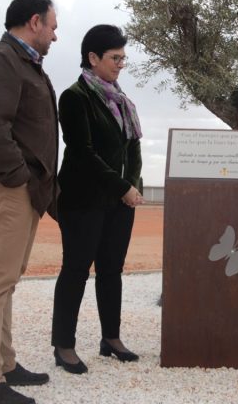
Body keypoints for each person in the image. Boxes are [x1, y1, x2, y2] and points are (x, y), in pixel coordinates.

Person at [0, 0, 59, 404]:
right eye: (52, 26)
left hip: (24, 188)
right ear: (34, 22)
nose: (55, 35)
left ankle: (4, 364)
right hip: (7, 186)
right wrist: (18, 177)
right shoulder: (0, 60)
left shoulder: (24, 64)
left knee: (6, 281)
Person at [51, 24, 144, 374]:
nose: (120, 65)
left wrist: (129, 185)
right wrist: (122, 187)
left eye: (123, 59)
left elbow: (132, 148)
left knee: (111, 270)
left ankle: (111, 338)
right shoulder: (74, 97)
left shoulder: (122, 101)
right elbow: (83, 153)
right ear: (93, 58)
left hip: (118, 202)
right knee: (76, 270)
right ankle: (64, 345)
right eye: (114, 58)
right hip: (83, 200)